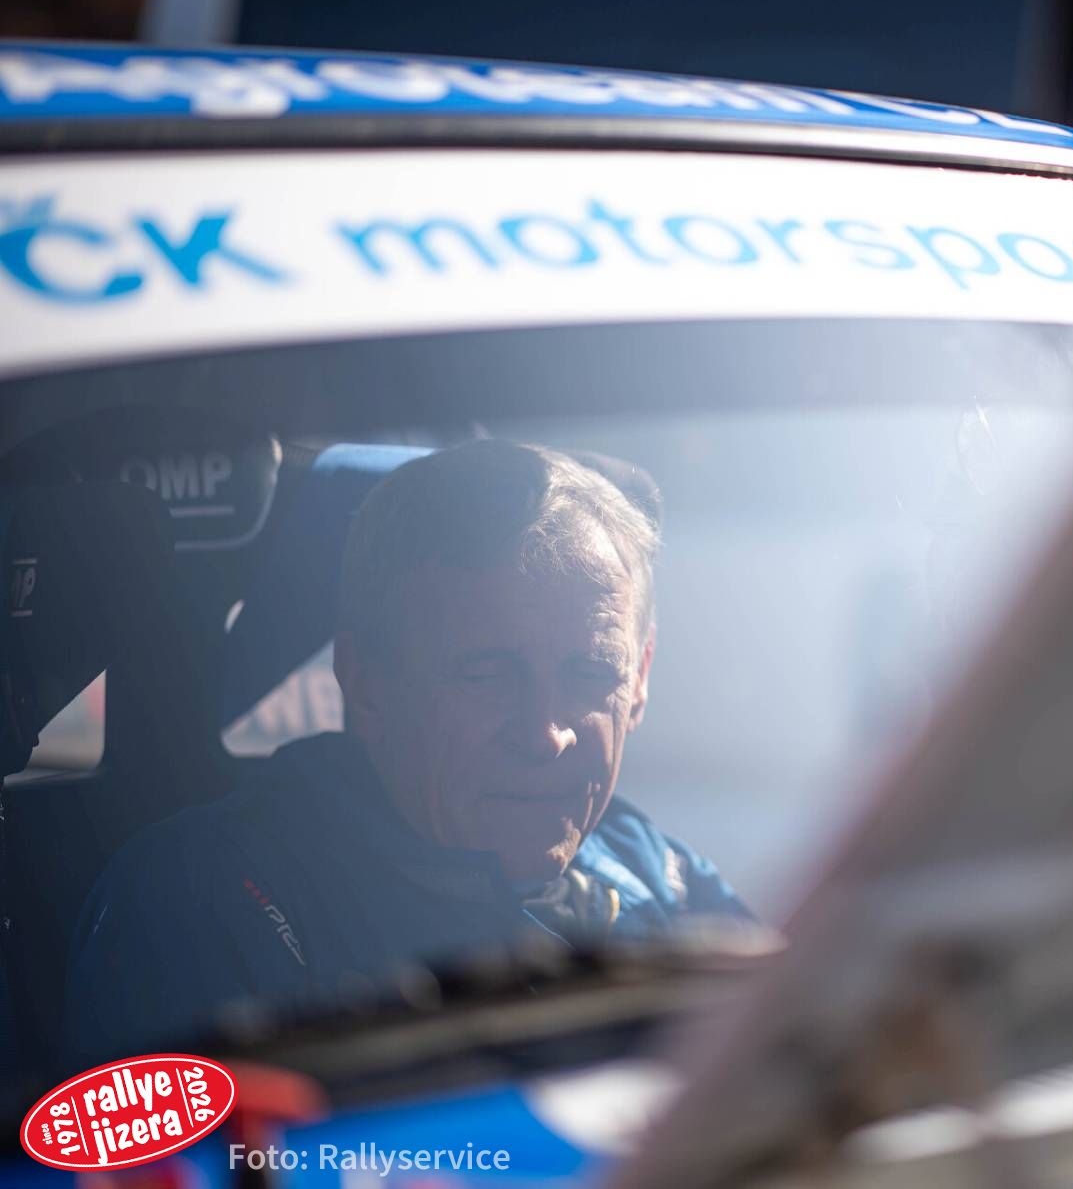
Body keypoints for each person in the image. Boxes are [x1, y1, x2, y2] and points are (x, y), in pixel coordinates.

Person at [66, 441, 752, 1063]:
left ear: (640, 679)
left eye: (590, 674)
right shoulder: (203, 903)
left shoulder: (657, 872)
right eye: (487, 674)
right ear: (367, 682)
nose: (546, 734)